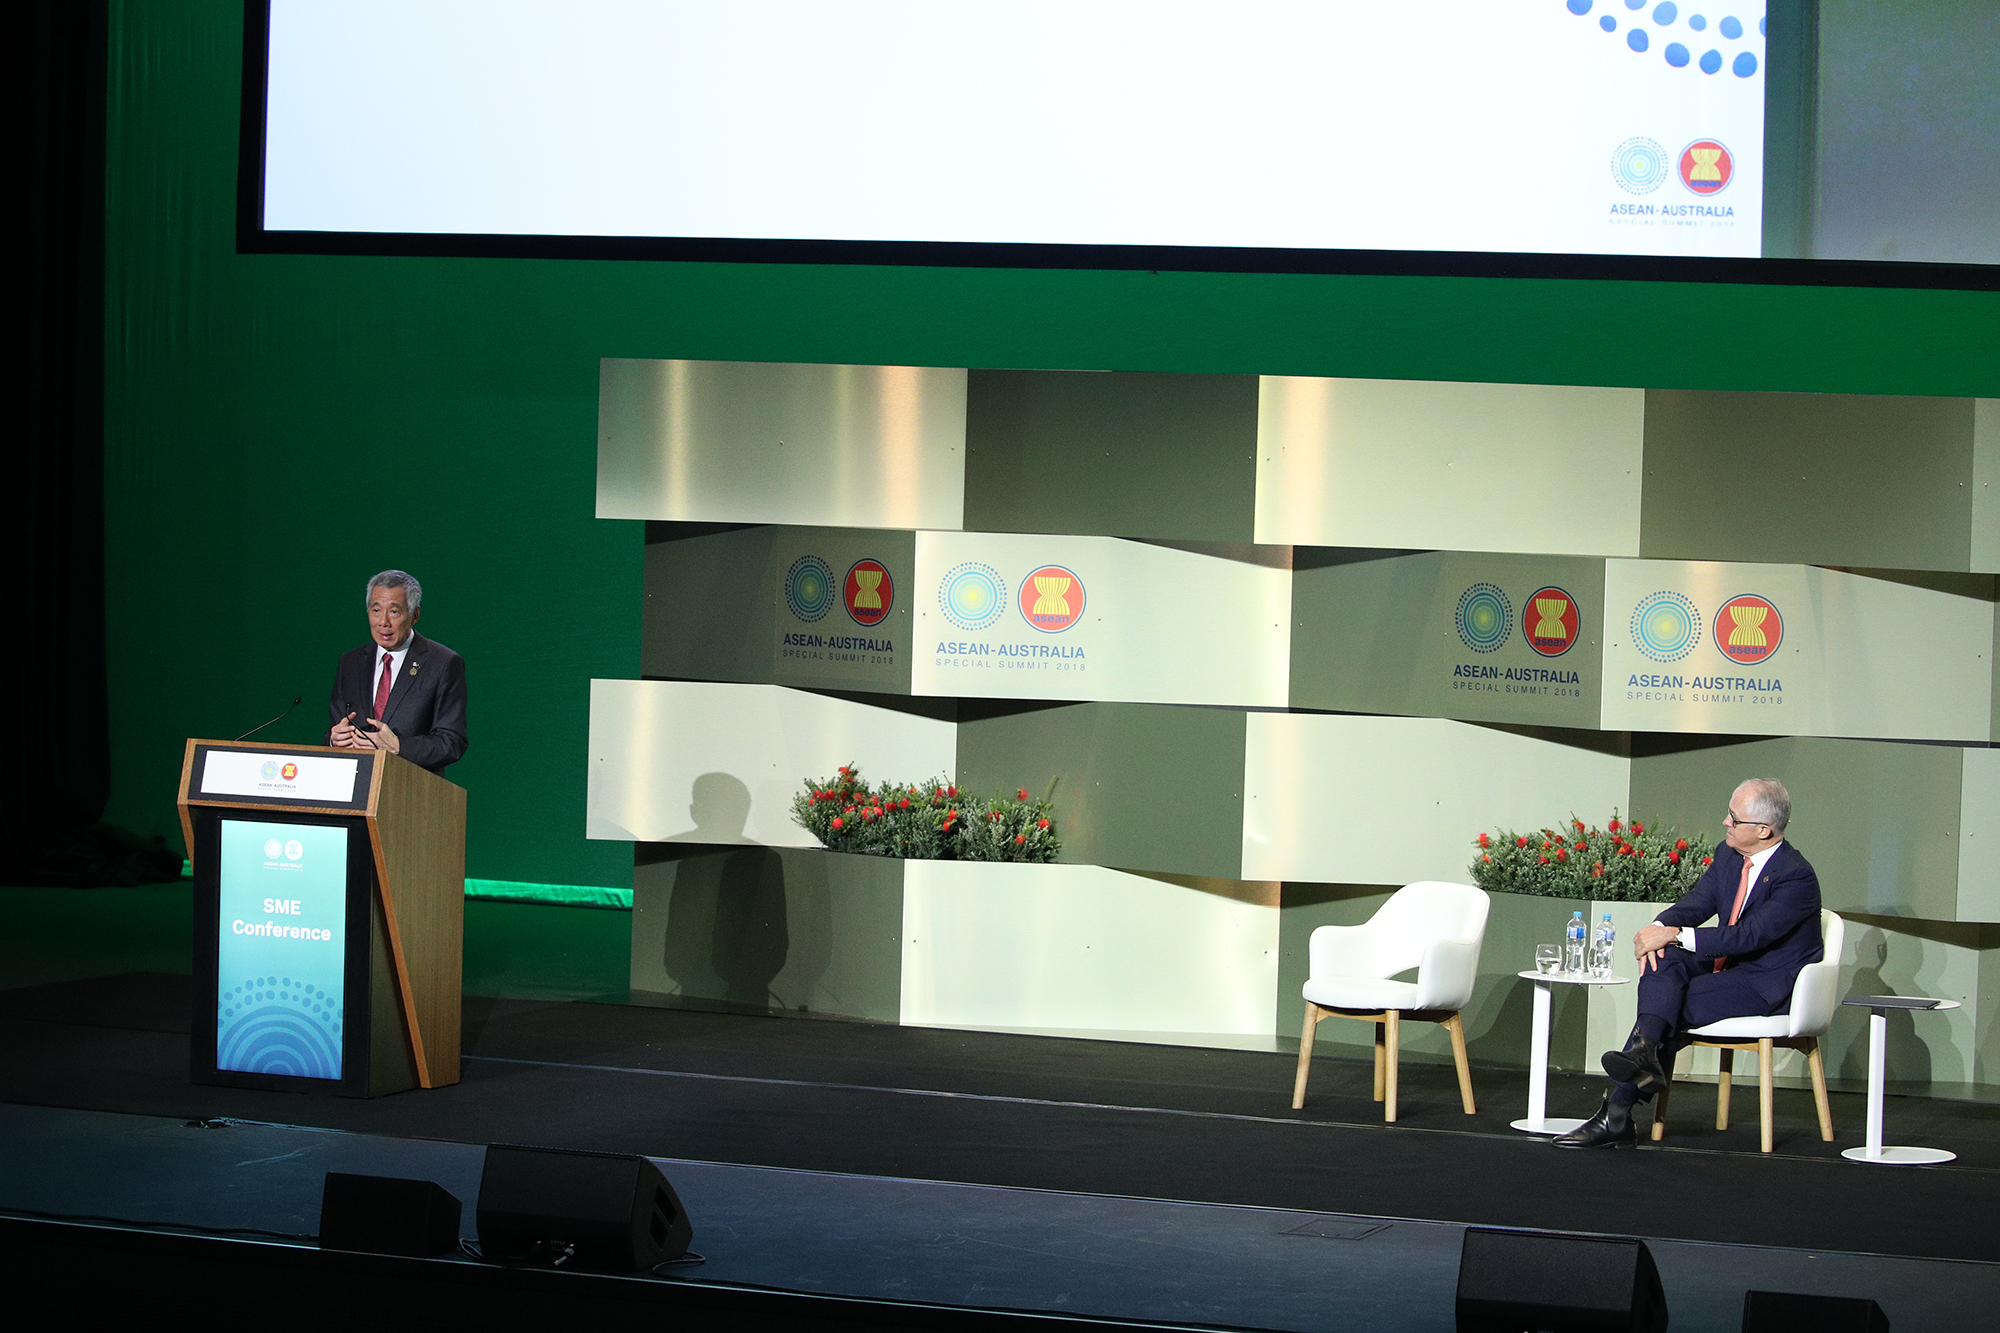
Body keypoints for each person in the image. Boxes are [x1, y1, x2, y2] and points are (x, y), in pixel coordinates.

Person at [1554, 778, 1821, 1149]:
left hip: (1768, 982)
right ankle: (1644, 1053)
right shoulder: (1729, 855)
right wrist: (1659, 928)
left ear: (1763, 830)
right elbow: (1699, 901)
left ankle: (1617, 1110)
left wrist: (1676, 934)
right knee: (1664, 960)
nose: (1725, 822)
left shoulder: (1797, 876)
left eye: (1733, 817)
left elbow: (1749, 937)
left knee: (1672, 999)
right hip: (1731, 967)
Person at [327, 570, 468, 774]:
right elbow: (333, 728)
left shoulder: (443, 663)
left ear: (415, 615)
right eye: (376, 610)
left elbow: (452, 741)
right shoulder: (351, 662)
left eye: (394, 612)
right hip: (354, 786)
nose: (383, 622)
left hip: (409, 790)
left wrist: (398, 746)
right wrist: (334, 739)